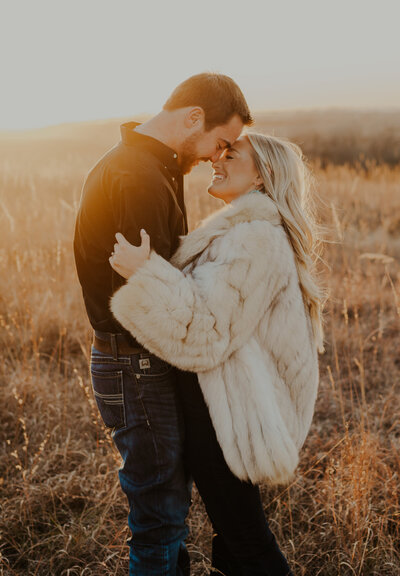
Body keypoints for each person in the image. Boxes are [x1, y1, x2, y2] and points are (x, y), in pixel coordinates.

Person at [109, 133, 325, 575]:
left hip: (230, 415)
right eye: (220, 151)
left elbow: (206, 331)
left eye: (232, 154)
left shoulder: (255, 238)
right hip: (223, 405)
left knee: (246, 540)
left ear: (262, 176)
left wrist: (144, 273)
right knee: (232, 540)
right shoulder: (238, 231)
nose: (217, 159)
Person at [73, 73, 253, 575]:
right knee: (160, 518)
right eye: (219, 143)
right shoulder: (139, 177)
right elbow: (147, 299)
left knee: (168, 511)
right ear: (193, 117)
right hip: (135, 365)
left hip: (140, 362)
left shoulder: (156, 166)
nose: (218, 156)